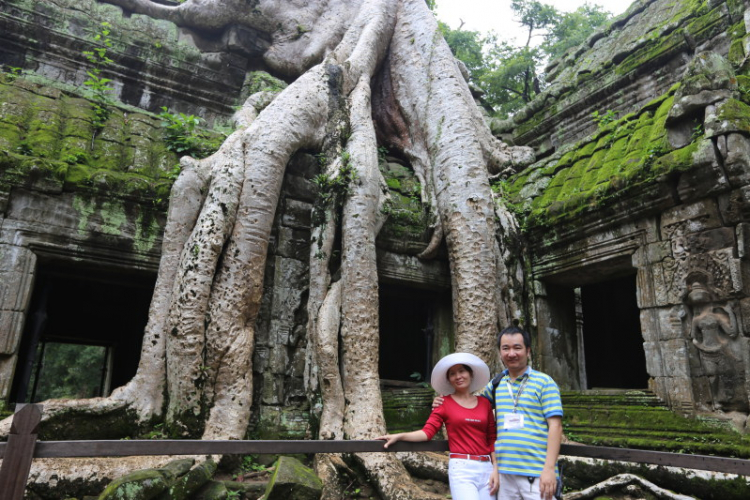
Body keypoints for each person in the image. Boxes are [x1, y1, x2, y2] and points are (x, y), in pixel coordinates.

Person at [434, 326, 563, 500]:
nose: (511, 353)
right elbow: (470, 404)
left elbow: (555, 426)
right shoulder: (496, 385)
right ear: (500, 352)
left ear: (528, 350)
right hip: (504, 476)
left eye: (517, 348)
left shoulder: (544, 383)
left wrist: (549, 469)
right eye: (506, 348)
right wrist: (443, 402)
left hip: (537, 473)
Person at [377, 352, 499, 499]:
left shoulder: (485, 404)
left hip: (487, 467)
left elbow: (492, 438)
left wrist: (495, 469)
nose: (458, 376)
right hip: (462, 468)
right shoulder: (443, 403)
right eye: (452, 374)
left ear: (470, 373)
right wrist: (400, 435)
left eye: (462, 371)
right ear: (448, 379)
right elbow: (427, 433)